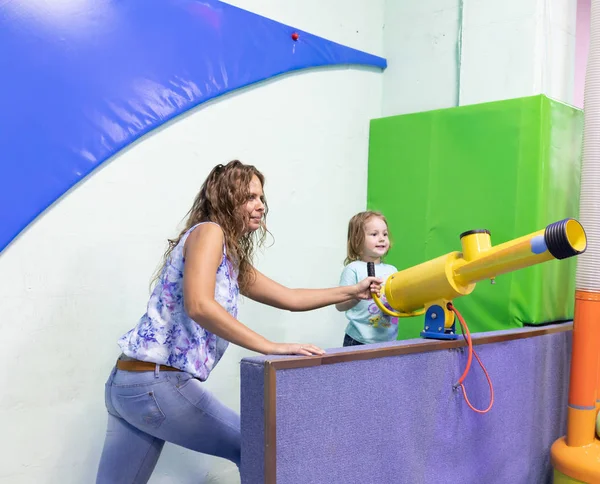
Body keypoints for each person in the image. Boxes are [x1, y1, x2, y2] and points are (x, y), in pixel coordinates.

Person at [95, 160, 381, 483]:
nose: (260, 206)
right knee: (255, 447)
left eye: (261, 198)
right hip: (156, 385)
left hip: (127, 385)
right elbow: (199, 305)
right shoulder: (209, 232)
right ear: (226, 200)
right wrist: (272, 347)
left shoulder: (229, 259)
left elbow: (290, 298)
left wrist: (352, 290)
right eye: (249, 198)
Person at [335, 211, 399, 347]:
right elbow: (340, 305)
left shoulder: (392, 270)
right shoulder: (353, 269)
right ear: (357, 240)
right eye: (374, 234)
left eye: (385, 234)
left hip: (389, 341)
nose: (381, 238)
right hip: (358, 340)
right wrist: (357, 296)